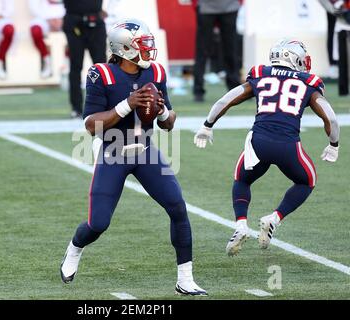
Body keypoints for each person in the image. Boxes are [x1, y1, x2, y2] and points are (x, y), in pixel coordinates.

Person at [60, 18, 208, 296]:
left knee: (178, 208)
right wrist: (128, 105)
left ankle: (185, 278)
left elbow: (169, 122)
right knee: (98, 224)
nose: (149, 50)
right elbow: (92, 125)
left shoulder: (157, 73)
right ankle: (75, 248)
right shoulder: (100, 74)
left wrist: (163, 111)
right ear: (124, 48)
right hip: (112, 152)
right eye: (143, 45)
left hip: (145, 150)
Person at [193, 39, 340, 256]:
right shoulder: (308, 82)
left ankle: (241, 224)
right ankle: (274, 218)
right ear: (293, 58)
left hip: (258, 143)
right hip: (288, 146)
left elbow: (226, 99)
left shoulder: (261, 74)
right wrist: (333, 144)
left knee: (243, 180)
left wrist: (207, 125)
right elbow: (331, 118)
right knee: (306, 181)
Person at [62, 0, 107, 118]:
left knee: (102, 67)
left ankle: (106, 104)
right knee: (76, 65)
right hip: (74, 22)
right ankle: (76, 107)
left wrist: (108, 11)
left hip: (95, 20)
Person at [192, 0, 242, 102]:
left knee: (231, 49)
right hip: (207, 6)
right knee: (202, 50)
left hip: (229, 6)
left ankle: (234, 89)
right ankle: (198, 90)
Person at [28, 0, 66, 79]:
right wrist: (49, 18)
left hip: (65, 17)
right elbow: (33, 6)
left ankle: (68, 63)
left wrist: (61, 17)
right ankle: (46, 60)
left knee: (76, 30)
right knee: (35, 31)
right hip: (43, 18)